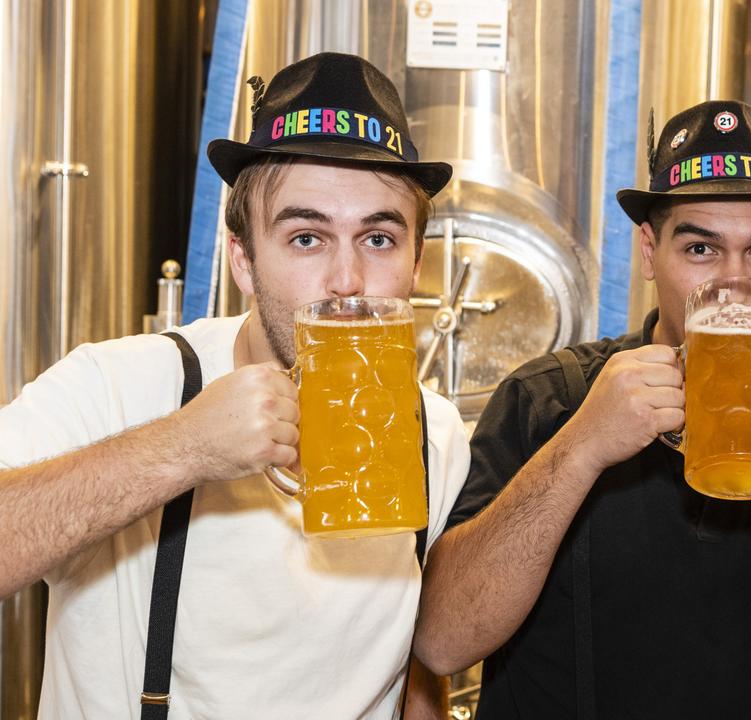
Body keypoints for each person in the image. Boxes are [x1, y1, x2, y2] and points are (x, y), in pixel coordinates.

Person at [0, 52, 469, 718]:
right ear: (243, 260)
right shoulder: (119, 383)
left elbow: (417, 670)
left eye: (379, 239)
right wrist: (180, 449)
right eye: (306, 238)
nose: (346, 282)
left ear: (418, 262)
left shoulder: (437, 436)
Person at [414, 100, 751, 717]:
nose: (734, 285)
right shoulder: (548, 399)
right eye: (701, 251)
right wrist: (581, 448)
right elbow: (445, 642)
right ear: (647, 251)